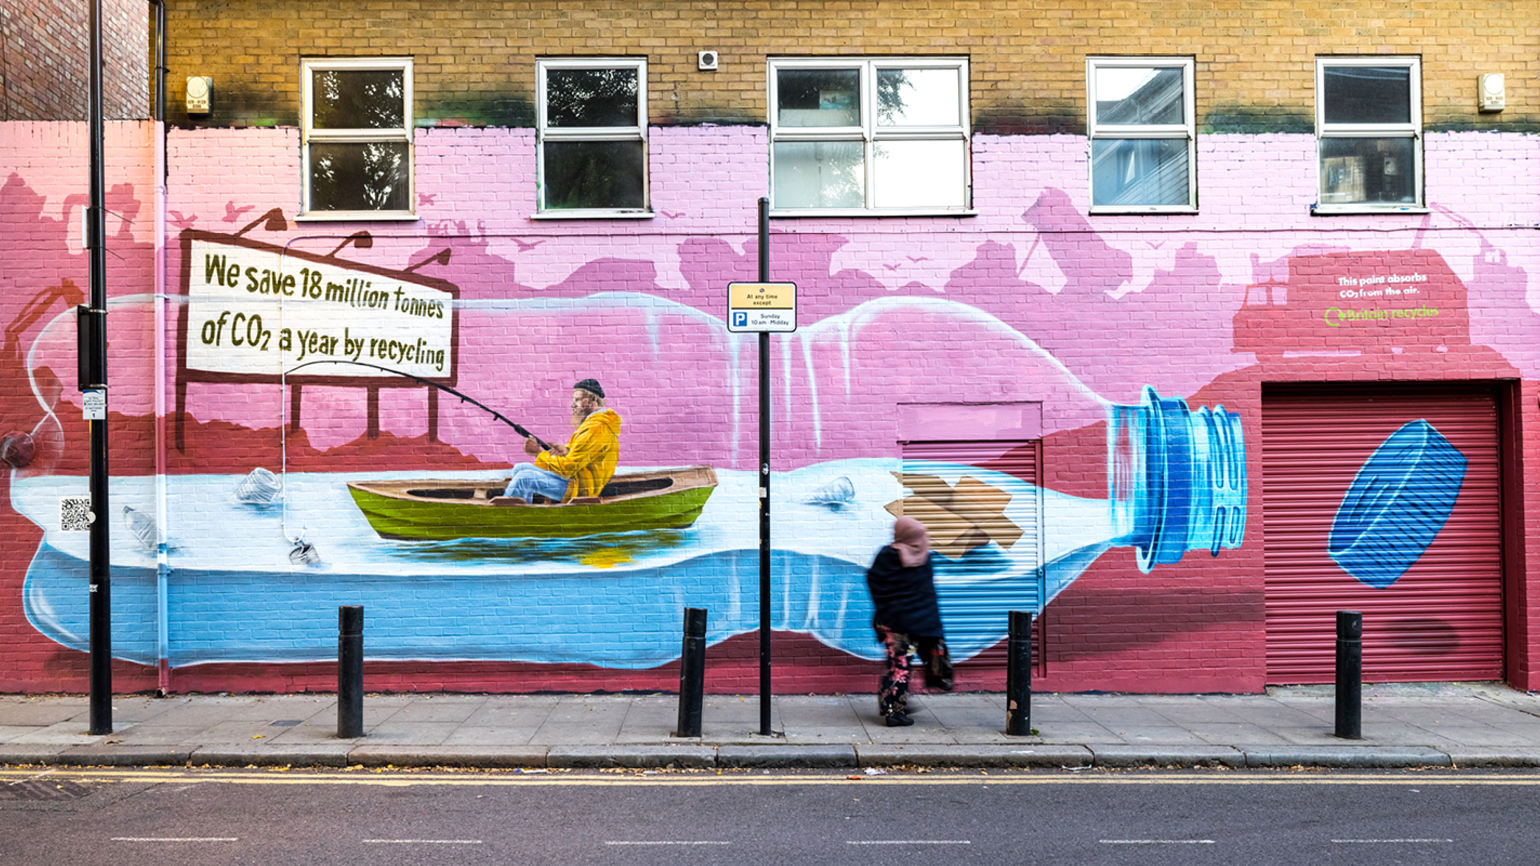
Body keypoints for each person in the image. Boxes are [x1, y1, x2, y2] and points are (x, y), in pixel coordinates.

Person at [865, 516, 953, 727]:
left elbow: (875, 583)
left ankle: (893, 703)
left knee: (896, 665)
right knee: (900, 667)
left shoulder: (887, 555)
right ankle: (894, 712)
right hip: (915, 624)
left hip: (891, 622)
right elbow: (926, 594)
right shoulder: (924, 557)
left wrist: (888, 607)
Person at [503, 378, 621, 503]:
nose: (573, 404)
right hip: (574, 479)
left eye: (577, 399)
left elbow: (569, 467)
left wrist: (538, 453)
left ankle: (508, 514)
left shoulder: (596, 428)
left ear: (592, 399)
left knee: (524, 478)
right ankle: (524, 511)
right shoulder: (594, 423)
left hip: (579, 488)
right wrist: (566, 450)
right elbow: (583, 453)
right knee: (520, 468)